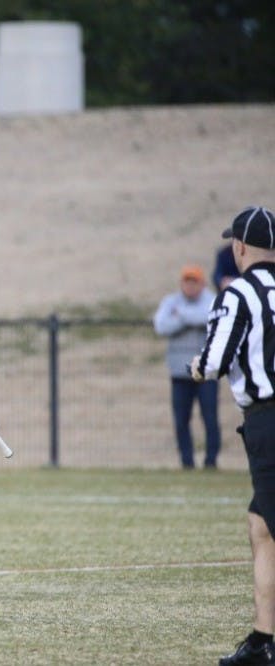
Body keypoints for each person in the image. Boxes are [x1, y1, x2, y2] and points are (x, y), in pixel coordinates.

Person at [190, 205, 275, 666]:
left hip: (268, 419)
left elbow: (215, 361)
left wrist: (196, 366)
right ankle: (264, 640)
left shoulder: (240, 292)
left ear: (239, 247)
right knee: (260, 525)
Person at [153, 264, 220, 469]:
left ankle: (210, 461)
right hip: (179, 371)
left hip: (206, 371)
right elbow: (161, 326)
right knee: (181, 419)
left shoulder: (211, 300)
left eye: (194, 282)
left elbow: (209, 318)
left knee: (209, 417)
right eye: (187, 281)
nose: (190, 286)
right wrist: (191, 318)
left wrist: (181, 315)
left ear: (202, 284)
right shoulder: (170, 302)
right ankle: (187, 462)